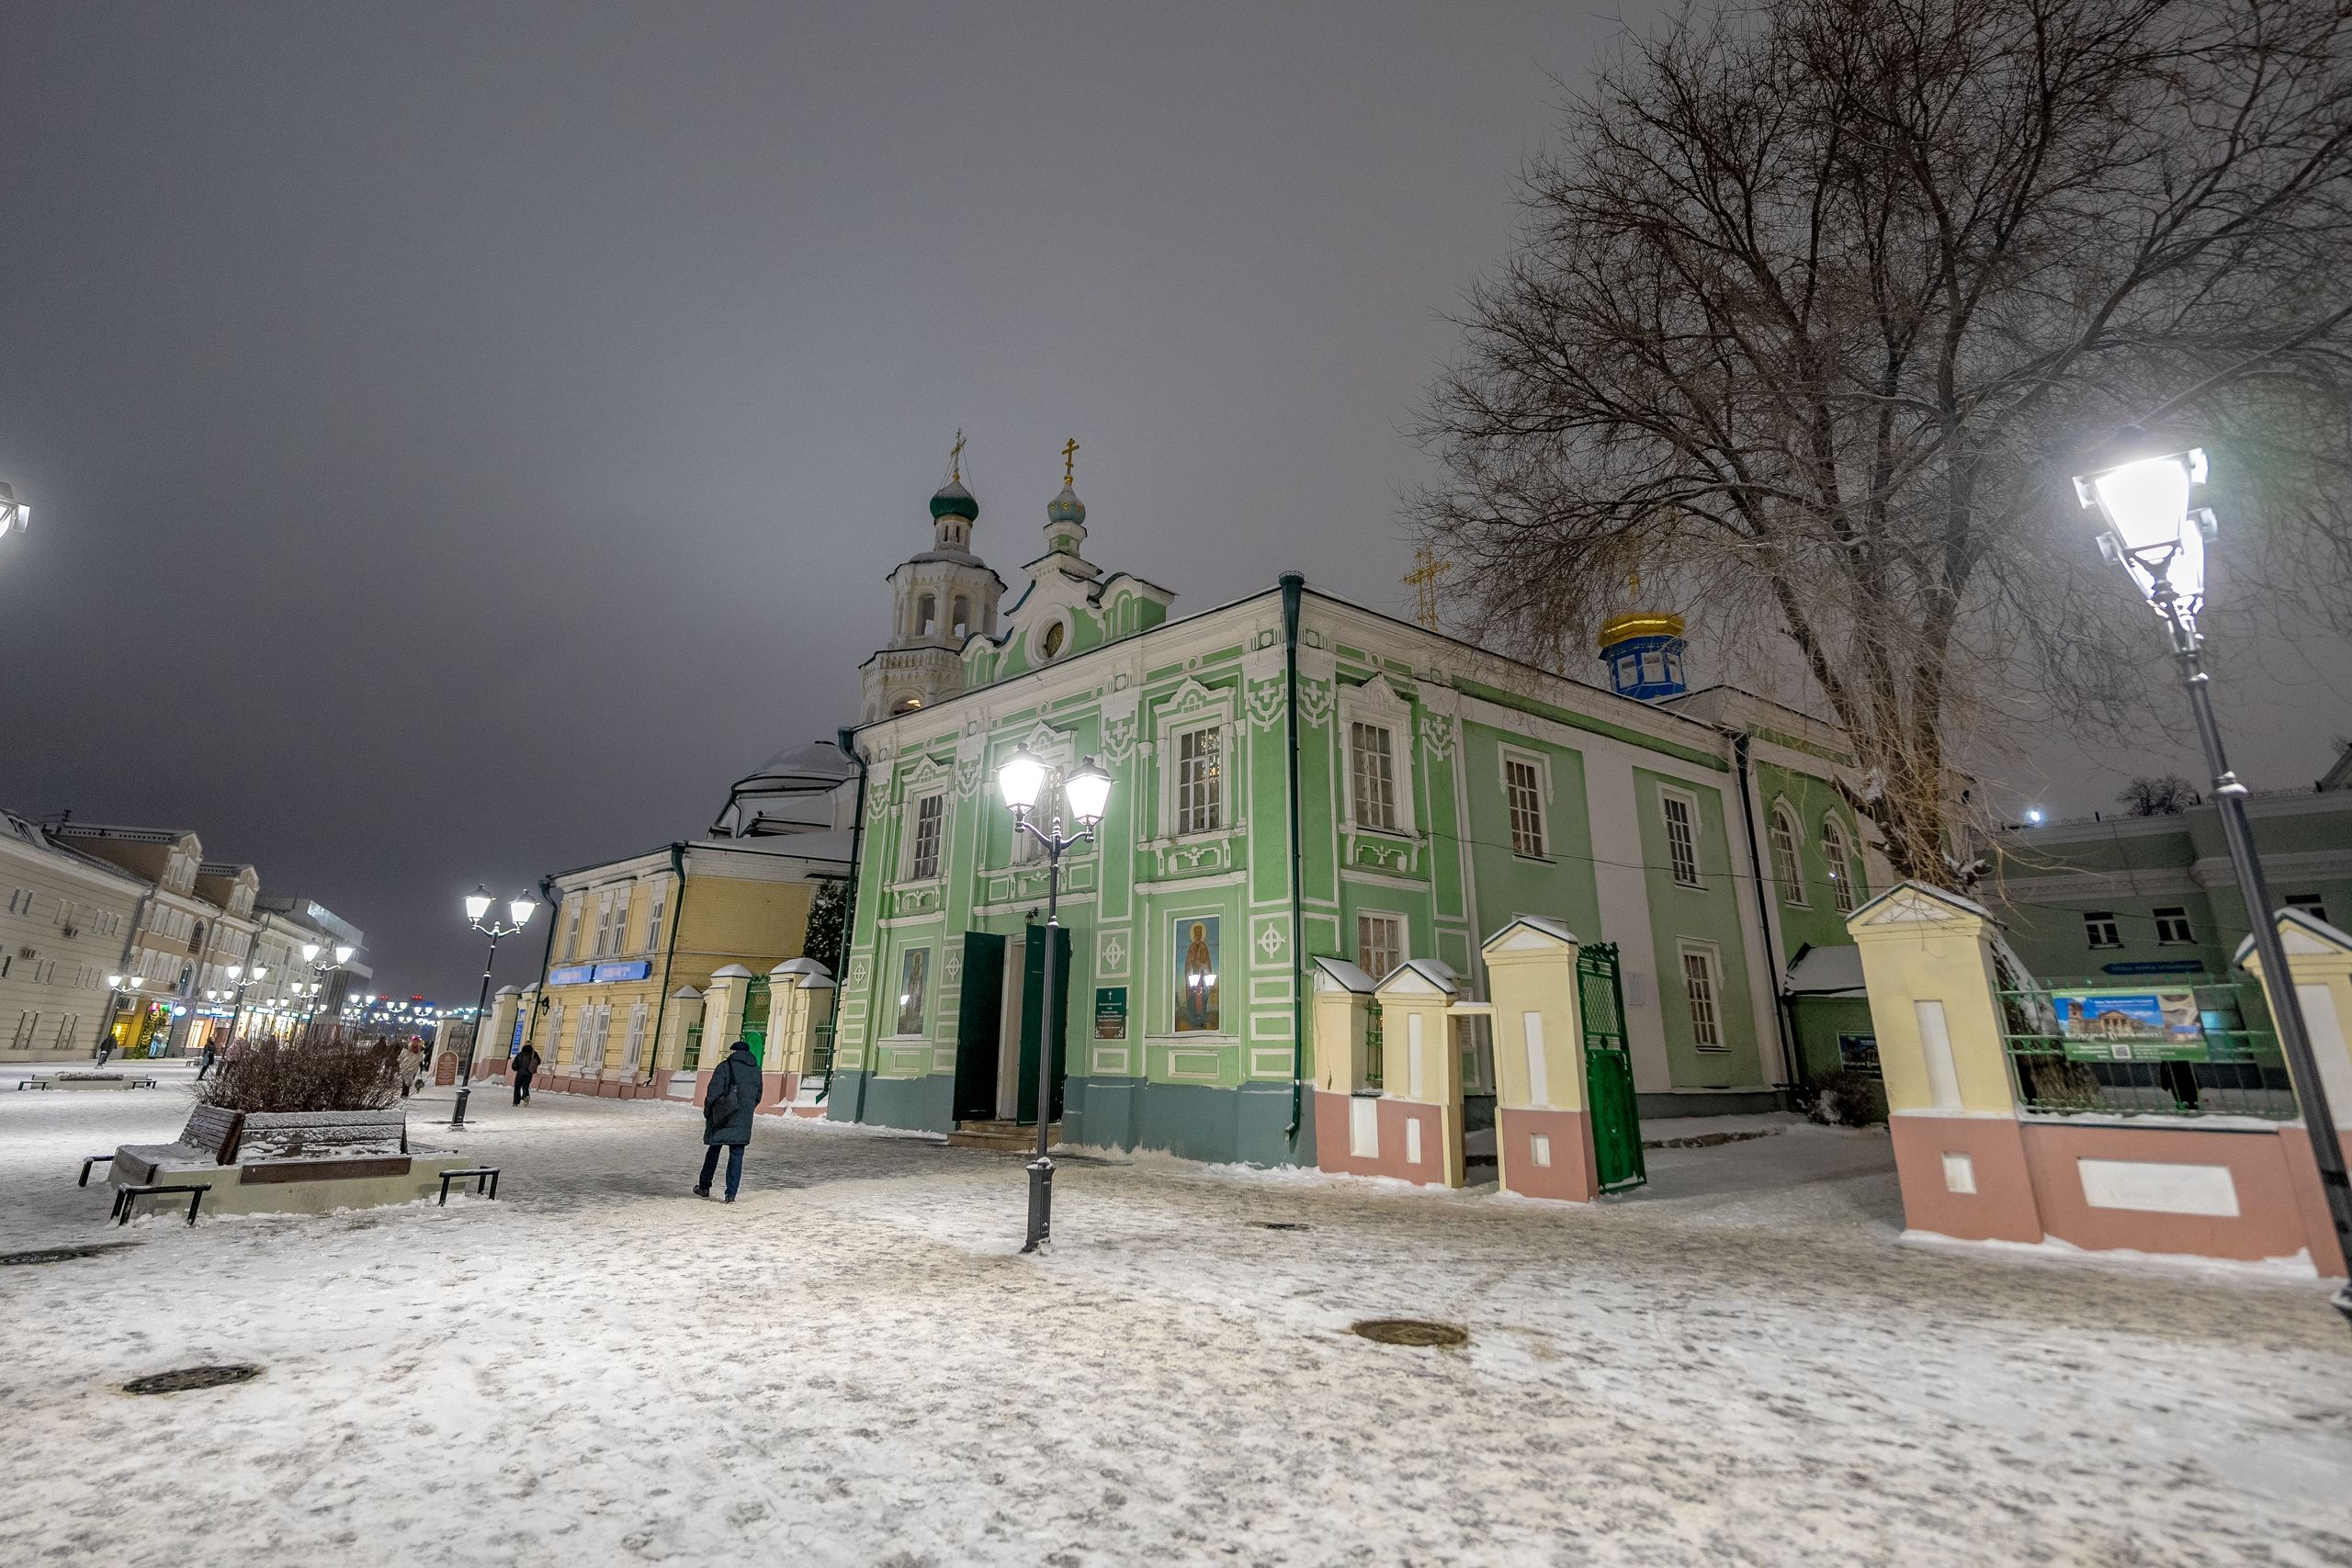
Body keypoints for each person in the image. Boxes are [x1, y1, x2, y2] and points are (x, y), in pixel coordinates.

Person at [695, 1039, 763, 1201]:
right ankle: (731, 1193)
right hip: (743, 1119)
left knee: (714, 1150)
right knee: (737, 1154)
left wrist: (708, 1111)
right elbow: (757, 1096)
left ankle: (704, 1186)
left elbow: (713, 1093)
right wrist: (746, 1110)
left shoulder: (725, 1067)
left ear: (734, 1052)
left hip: (722, 1116)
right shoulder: (756, 1070)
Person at [511, 1041, 540, 1105]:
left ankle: (516, 1101)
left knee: (517, 1087)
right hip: (529, 1073)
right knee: (525, 1086)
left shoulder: (520, 1054)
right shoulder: (534, 1054)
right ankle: (526, 1096)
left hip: (520, 1073)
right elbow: (538, 1061)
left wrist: (516, 1068)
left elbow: (514, 1064)